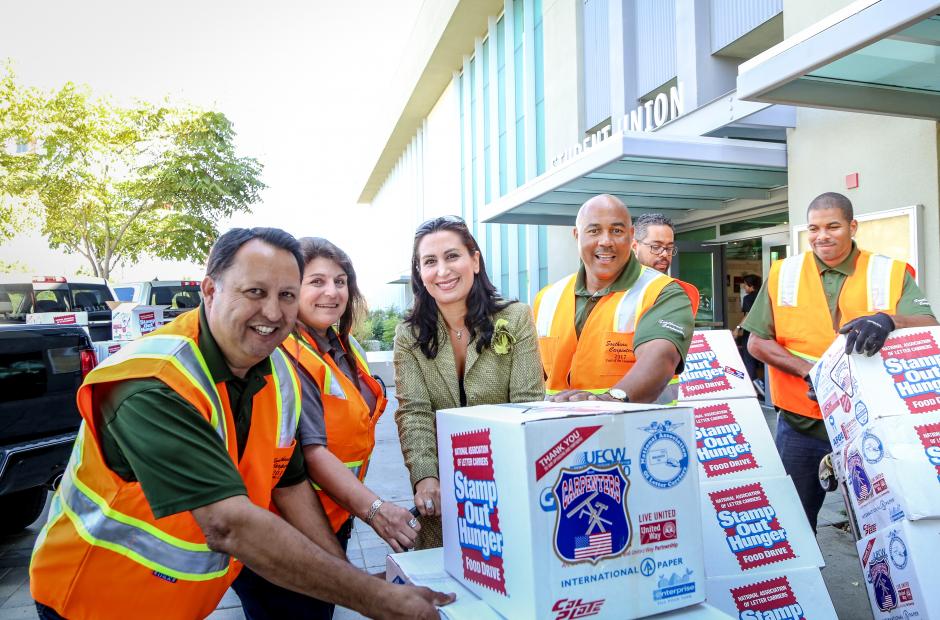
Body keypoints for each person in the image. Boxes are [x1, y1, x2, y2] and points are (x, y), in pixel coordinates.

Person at [29, 228, 452, 620]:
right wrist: (375, 598)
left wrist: (353, 582)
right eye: (255, 292)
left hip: (180, 604)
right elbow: (227, 523)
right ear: (210, 290)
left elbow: (288, 482)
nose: (272, 311)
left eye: (286, 294)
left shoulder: (275, 371)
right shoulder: (152, 381)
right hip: (92, 603)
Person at [230, 237, 420, 619]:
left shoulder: (340, 344)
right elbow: (310, 452)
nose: (331, 292)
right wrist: (376, 510)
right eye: (316, 282)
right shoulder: (286, 353)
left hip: (332, 518)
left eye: (340, 281)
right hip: (286, 532)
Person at [744, 192, 937, 532]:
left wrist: (891, 320)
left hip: (870, 425)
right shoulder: (783, 272)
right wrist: (813, 375)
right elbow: (758, 342)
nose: (822, 236)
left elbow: (929, 325)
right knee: (794, 525)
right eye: (814, 228)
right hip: (801, 425)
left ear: (852, 226)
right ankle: (807, 587)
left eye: (833, 226)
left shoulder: (889, 271)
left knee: (885, 527)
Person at [394, 215, 545, 549]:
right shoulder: (409, 335)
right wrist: (426, 477)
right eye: (429, 261)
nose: (443, 271)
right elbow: (414, 412)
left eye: (452, 256)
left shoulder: (515, 318)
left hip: (508, 484)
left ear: (474, 260)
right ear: (420, 273)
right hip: (443, 493)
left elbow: (527, 404)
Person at [535, 194, 695, 404]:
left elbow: (661, 357)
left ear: (631, 237)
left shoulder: (663, 292)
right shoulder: (547, 298)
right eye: (594, 231)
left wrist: (609, 400)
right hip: (556, 432)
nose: (605, 241)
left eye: (616, 231)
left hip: (636, 432)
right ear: (577, 235)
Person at [735, 274, 765, 396]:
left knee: (749, 361)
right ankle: (765, 389)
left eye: (745, 285)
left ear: (751, 286)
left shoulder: (748, 298)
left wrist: (737, 328)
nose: (744, 288)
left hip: (751, 334)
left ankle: (756, 390)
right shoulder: (763, 297)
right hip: (764, 332)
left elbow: (748, 316)